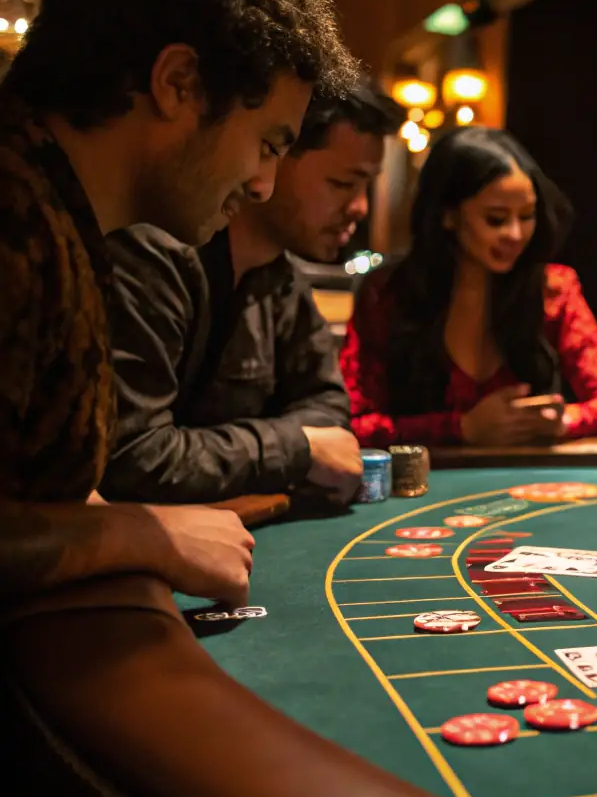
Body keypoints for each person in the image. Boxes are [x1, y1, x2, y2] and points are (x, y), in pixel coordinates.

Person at [0, 0, 358, 607]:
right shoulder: (14, 216)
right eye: (267, 143)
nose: (264, 186)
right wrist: (140, 535)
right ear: (179, 83)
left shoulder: (62, 222)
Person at [100, 83, 403, 506]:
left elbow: (327, 407)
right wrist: (296, 448)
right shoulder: (156, 253)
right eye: (342, 183)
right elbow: (134, 457)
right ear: (272, 156)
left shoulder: (281, 276)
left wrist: (282, 447)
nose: (360, 208)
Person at [341, 126, 597, 446]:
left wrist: (559, 421)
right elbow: (352, 425)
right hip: (425, 476)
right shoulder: (388, 295)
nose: (515, 234)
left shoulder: (553, 290)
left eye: (527, 216)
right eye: (496, 219)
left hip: (526, 476)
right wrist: (462, 428)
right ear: (448, 215)